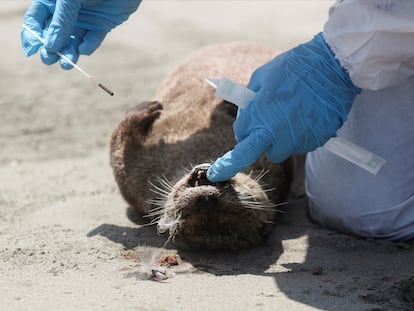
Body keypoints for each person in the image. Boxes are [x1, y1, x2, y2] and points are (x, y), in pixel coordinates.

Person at [21, 0, 414, 240]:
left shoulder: (145, 190)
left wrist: (337, 61)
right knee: (364, 211)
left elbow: (127, 154)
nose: (207, 196)